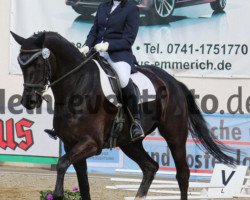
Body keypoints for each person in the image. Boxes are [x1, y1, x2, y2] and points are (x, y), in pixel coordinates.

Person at [45, 0, 144, 142]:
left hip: (119, 54)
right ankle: (62, 124)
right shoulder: (103, 6)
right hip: (96, 52)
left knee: (122, 79)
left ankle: (136, 121)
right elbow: (95, 30)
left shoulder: (131, 9)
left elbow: (128, 39)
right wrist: (86, 45)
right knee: (76, 77)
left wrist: (108, 45)